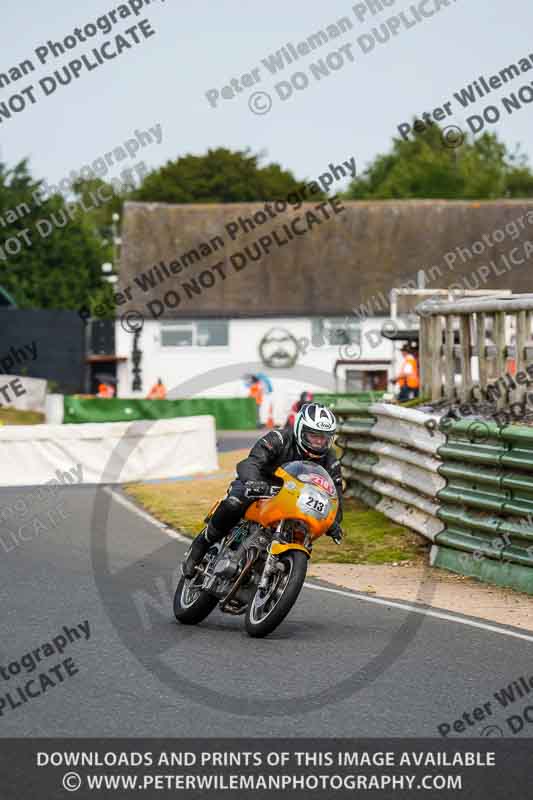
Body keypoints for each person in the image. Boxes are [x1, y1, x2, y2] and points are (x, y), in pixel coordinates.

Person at [182, 403, 344, 578]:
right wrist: (253, 482)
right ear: (300, 430)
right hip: (261, 485)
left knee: (303, 535)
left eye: (324, 438)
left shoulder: (330, 461)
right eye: (314, 436)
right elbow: (252, 462)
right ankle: (200, 545)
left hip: (295, 499)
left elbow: (335, 496)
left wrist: (333, 522)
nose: (319, 443)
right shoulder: (279, 439)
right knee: (234, 504)